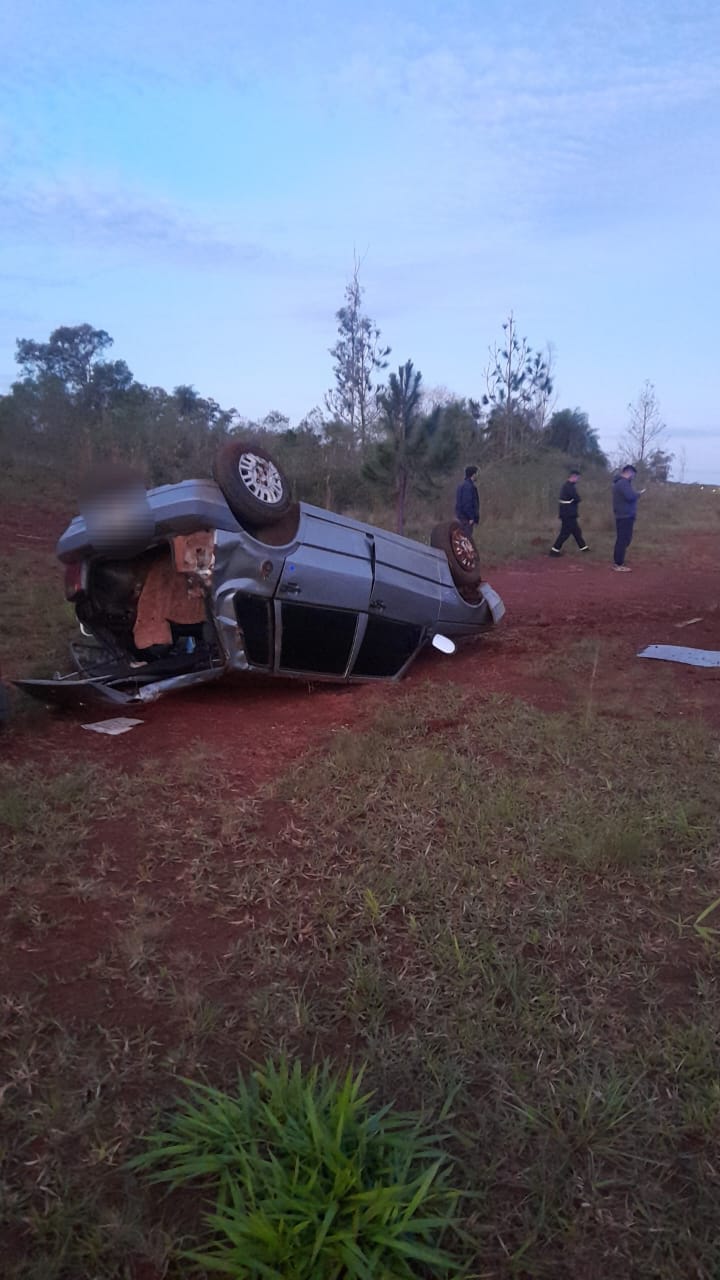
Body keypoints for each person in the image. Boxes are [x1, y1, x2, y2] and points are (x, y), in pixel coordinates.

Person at [612, 464, 645, 572]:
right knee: (623, 540)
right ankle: (618, 563)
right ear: (629, 472)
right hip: (625, 515)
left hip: (624, 515)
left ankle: (618, 561)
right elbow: (630, 496)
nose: (633, 477)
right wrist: (638, 494)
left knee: (624, 539)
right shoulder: (623, 483)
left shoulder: (620, 483)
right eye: (633, 474)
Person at [550, 468, 590, 556]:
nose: (578, 480)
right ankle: (554, 551)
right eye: (577, 478)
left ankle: (584, 548)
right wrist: (576, 500)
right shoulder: (569, 487)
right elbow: (577, 498)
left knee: (576, 532)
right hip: (568, 514)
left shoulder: (568, 486)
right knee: (565, 533)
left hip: (569, 513)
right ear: (573, 477)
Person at [455, 465, 479, 538]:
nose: (477, 475)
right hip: (466, 519)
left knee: (462, 538)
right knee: (466, 539)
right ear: (473, 474)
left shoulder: (461, 485)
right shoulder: (468, 486)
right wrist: (471, 517)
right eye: (476, 473)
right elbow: (467, 503)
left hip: (461, 517)